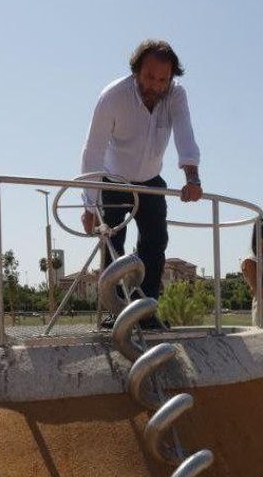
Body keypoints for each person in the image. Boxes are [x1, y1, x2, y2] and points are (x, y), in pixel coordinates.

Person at [80, 39, 202, 328]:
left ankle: (146, 311)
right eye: (149, 77)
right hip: (114, 180)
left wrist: (192, 178)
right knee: (112, 242)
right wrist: (89, 205)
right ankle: (116, 312)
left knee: (155, 242)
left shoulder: (175, 95)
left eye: (163, 79)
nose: (156, 85)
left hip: (150, 181)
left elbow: (185, 135)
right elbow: (93, 150)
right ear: (136, 71)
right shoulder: (113, 96)